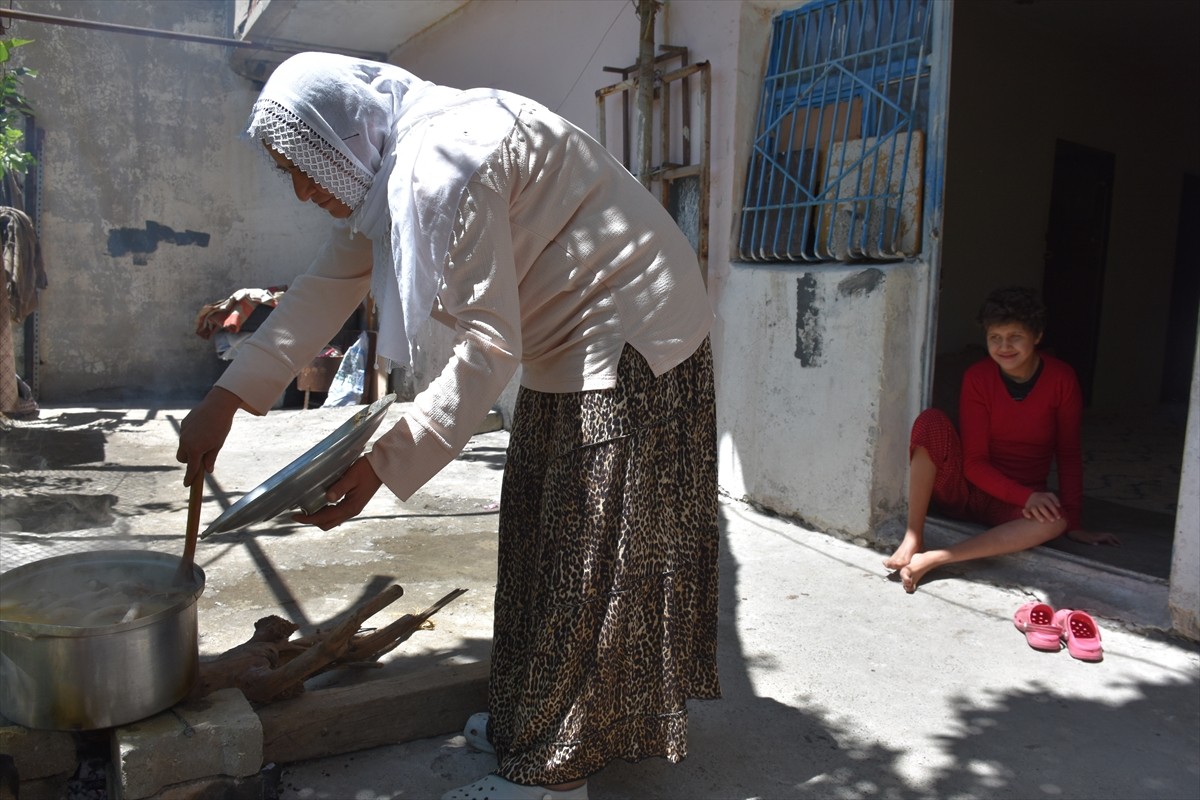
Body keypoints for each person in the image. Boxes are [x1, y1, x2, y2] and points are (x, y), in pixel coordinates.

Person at [175, 53, 719, 800]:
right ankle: (532, 723)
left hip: (631, 335)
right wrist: (228, 397)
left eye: (304, 169)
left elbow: (486, 349)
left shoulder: (441, 166)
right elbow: (326, 287)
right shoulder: (381, 166)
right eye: (287, 173)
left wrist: (387, 460)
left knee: (583, 550)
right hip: (572, 334)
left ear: (341, 141)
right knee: (540, 535)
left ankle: (551, 775)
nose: (302, 190)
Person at [882, 286, 1119, 593]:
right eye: (995, 337)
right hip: (966, 488)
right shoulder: (979, 378)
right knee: (930, 422)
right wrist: (1026, 498)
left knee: (1054, 521)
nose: (1004, 346)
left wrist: (1073, 523)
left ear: (1037, 336)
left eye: (1015, 336)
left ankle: (937, 559)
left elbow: (1069, 452)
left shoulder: (1062, 379)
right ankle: (914, 535)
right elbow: (974, 463)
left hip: (1015, 500)